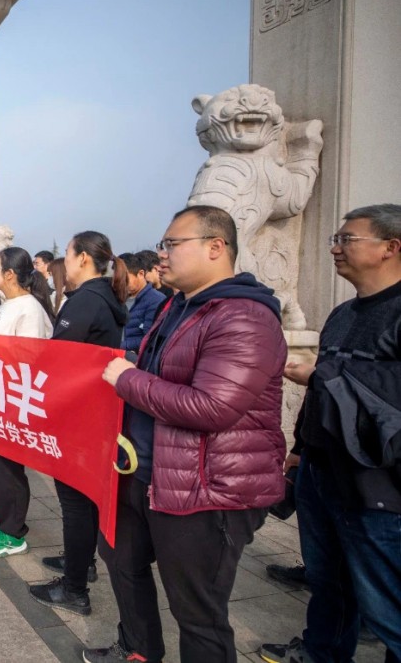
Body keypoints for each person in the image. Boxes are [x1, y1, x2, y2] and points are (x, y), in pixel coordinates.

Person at [85, 205, 287, 663]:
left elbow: (212, 407)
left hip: (205, 489)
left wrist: (126, 379)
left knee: (197, 612)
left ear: (217, 248)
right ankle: (139, 650)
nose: (162, 255)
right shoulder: (181, 305)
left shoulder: (243, 317)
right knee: (122, 563)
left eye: (173, 244)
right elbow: (158, 373)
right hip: (146, 472)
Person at [259, 203, 401, 663]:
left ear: (390, 248)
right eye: (334, 239)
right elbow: (324, 389)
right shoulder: (343, 313)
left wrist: (323, 375)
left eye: (347, 239)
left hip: (377, 485)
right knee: (328, 582)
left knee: (386, 604)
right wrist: (301, 448)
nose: (335, 248)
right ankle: (321, 653)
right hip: (321, 470)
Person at [29, 231, 128, 618]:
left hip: (78, 415)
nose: (64, 265)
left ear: (84, 259)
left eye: (67, 257)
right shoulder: (106, 297)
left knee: (74, 501)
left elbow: (59, 358)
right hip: (93, 412)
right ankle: (80, 562)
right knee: (83, 498)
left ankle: (74, 589)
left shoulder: (86, 301)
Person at [0, 246, 55, 556]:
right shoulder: (7, 304)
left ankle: (13, 531)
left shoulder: (29, 309)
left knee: (7, 467)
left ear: (9, 274)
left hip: (12, 400)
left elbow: (28, 358)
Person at [119, 252, 166, 354]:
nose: (121, 283)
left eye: (125, 278)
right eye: (118, 279)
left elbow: (148, 339)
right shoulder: (118, 299)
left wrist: (118, 345)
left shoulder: (156, 300)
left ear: (140, 274)